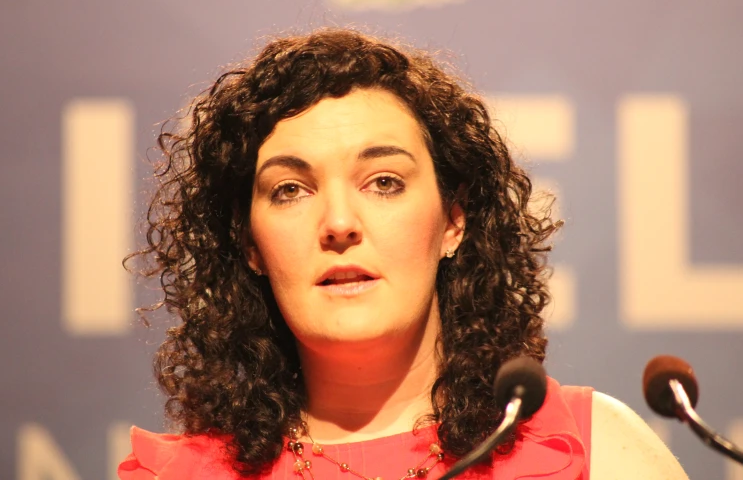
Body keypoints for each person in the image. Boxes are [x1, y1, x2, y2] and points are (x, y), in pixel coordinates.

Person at [118, 28, 688, 479]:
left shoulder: (597, 453)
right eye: (290, 189)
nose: (339, 224)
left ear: (453, 222)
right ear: (249, 245)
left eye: (384, 181)